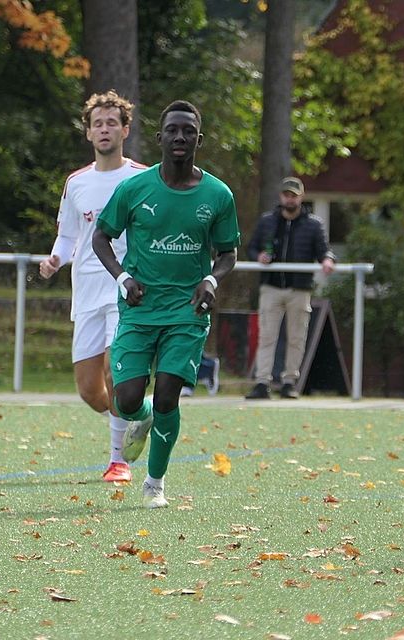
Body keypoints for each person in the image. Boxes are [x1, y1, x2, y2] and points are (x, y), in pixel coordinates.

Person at [92, 100, 240, 508]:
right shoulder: (134, 189)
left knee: (168, 396)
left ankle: (155, 483)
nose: (179, 137)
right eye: (172, 130)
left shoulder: (218, 194)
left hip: (187, 312)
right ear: (159, 138)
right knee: (125, 398)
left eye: (187, 131)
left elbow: (228, 252)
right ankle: (140, 417)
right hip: (139, 308)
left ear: (198, 139)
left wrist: (211, 279)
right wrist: (122, 276)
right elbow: (100, 237)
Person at [38, 91, 148, 483]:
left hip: (126, 292)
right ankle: (137, 414)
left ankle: (119, 461)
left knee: (114, 368)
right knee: (89, 389)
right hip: (85, 293)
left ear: (125, 129)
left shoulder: (141, 178)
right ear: (88, 133)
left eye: (111, 123)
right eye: (97, 123)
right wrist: (55, 260)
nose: (104, 129)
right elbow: (68, 238)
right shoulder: (77, 183)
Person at [244, 177, 336, 400]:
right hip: (271, 287)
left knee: (296, 337)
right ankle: (262, 381)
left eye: (294, 195)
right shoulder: (267, 221)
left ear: (301, 197)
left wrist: (327, 260)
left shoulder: (314, 224)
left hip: (299, 288)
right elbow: (251, 248)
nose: (289, 199)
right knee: (267, 336)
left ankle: (289, 381)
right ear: (281, 196)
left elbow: (324, 250)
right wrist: (259, 257)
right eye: (286, 194)